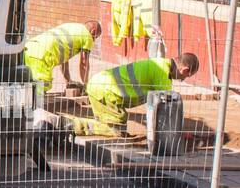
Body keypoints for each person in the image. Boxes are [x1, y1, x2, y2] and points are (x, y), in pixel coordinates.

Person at [67, 52, 199, 137]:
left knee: (116, 123)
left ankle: (81, 125)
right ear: (184, 69)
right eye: (184, 77)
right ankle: (72, 125)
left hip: (101, 87)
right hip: (105, 91)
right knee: (115, 131)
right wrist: (177, 133)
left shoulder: (161, 65)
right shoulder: (162, 74)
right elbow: (167, 109)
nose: (182, 79)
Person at [23, 20, 101, 93]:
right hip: (42, 55)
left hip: (28, 48)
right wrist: (86, 85)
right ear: (93, 31)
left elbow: (64, 61)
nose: (94, 40)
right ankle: (34, 105)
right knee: (43, 86)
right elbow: (84, 63)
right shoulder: (87, 36)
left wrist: (68, 81)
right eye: (95, 37)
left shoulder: (72, 27)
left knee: (26, 82)